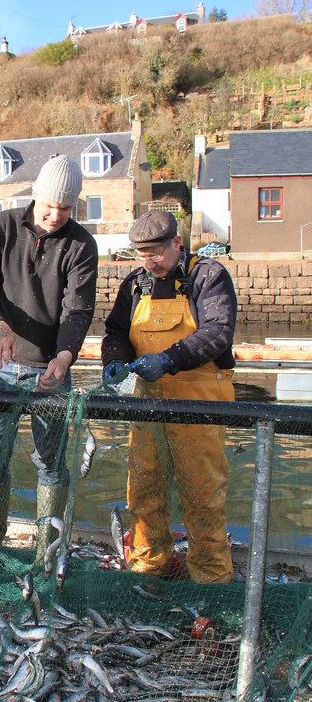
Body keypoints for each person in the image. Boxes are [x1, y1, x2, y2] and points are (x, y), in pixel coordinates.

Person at [0, 154, 98, 556]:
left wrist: (64, 357)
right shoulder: (0, 228)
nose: (57, 216)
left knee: (51, 461)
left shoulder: (82, 245)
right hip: (0, 366)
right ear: (36, 194)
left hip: (51, 369)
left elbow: (77, 310)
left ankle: (47, 547)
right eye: (51, 205)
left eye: (66, 208)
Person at [101, 210, 237, 584]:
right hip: (147, 407)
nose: (149, 263)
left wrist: (168, 359)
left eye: (156, 254)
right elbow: (115, 332)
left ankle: (211, 577)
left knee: (203, 496)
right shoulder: (135, 284)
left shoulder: (207, 276)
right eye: (141, 255)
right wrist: (114, 360)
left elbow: (217, 332)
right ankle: (148, 567)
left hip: (198, 406)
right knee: (144, 492)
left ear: (177, 243)